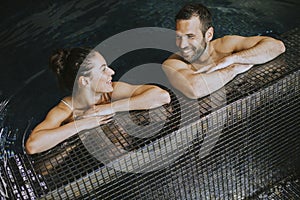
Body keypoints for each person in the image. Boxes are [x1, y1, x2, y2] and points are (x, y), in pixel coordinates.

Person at [25, 47, 171, 154]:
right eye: (103, 70)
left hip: (124, 149)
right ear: (84, 81)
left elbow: (162, 96)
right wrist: (82, 124)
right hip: (83, 158)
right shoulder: (66, 110)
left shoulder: (111, 92)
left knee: (165, 112)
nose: (111, 72)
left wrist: (109, 108)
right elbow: (33, 146)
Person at [162, 3, 285, 99]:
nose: (182, 45)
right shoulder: (172, 63)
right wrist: (233, 68)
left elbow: (277, 46)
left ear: (209, 35)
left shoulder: (226, 45)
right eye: (178, 36)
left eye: (190, 37)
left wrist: (233, 58)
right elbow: (195, 88)